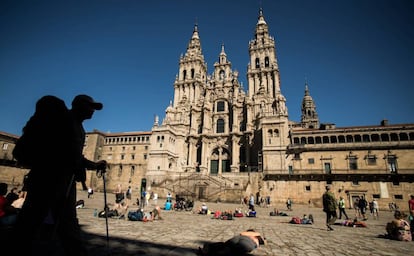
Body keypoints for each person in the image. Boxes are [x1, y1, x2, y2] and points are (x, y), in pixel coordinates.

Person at [13, 94, 107, 256]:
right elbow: (67, 153)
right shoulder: (64, 121)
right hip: (48, 180)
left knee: (58, 221)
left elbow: (76, 156)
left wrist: (94, 165)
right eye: (90, 107)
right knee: (34, 219)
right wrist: (88, 165)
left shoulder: (79, 127)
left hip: (64, 181)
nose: (93, 111)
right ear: (79, 106)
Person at [199, 229, 266, 256]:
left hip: (243, 242)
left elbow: (242, 233)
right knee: (229, 250)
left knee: (224, 247)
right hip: (250, 246)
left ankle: (208, 251)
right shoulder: (256, 240)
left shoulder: (250, 235)